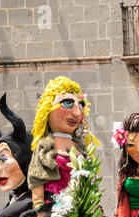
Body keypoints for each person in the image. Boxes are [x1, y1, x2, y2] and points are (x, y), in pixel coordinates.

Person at [27, 76, 99, 209]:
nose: (77, 113)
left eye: (81, 104)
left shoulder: (81, 147)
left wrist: (93, 209)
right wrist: (41, 216)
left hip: (81, 214)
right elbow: (37, 191)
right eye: (67, 103)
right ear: (47, 109)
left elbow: (90, 186)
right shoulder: (45, 147)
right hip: (53, 213)